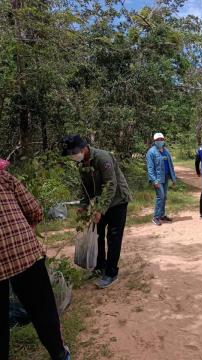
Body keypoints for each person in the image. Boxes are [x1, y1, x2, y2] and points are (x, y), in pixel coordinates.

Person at [0, 170, 70, 360]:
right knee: (43, 310)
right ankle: (59, 354)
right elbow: (35, 210)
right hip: (23, 253)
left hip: (21, 252)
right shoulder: (4, 176)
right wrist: (23, 233)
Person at [62, 135, 131, 289]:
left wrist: (100, 209)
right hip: (102, 202)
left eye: (75, 152)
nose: (74, 156)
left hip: (118, 200)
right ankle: (99, 267)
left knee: (113, 236)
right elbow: (85, 187)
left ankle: (111, 273)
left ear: (84, 148)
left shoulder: (102, 157)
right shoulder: (81, 164)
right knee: (97, 234)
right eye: (71, 154)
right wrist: (84, 204)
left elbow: (110, 184)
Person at [146, 132, 177, 226]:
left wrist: (173, 178)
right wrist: (154, 180)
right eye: (158, 140)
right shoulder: (151, 152)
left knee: (164, 197)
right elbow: (150, 168)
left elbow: (170, 165)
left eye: (161, 139)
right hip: (158, 179)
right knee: (161, 197)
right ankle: (156, 217)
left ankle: (162, 215)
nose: (160, 141)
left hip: (166, 178)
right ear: (154, 141)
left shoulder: (166, 151)